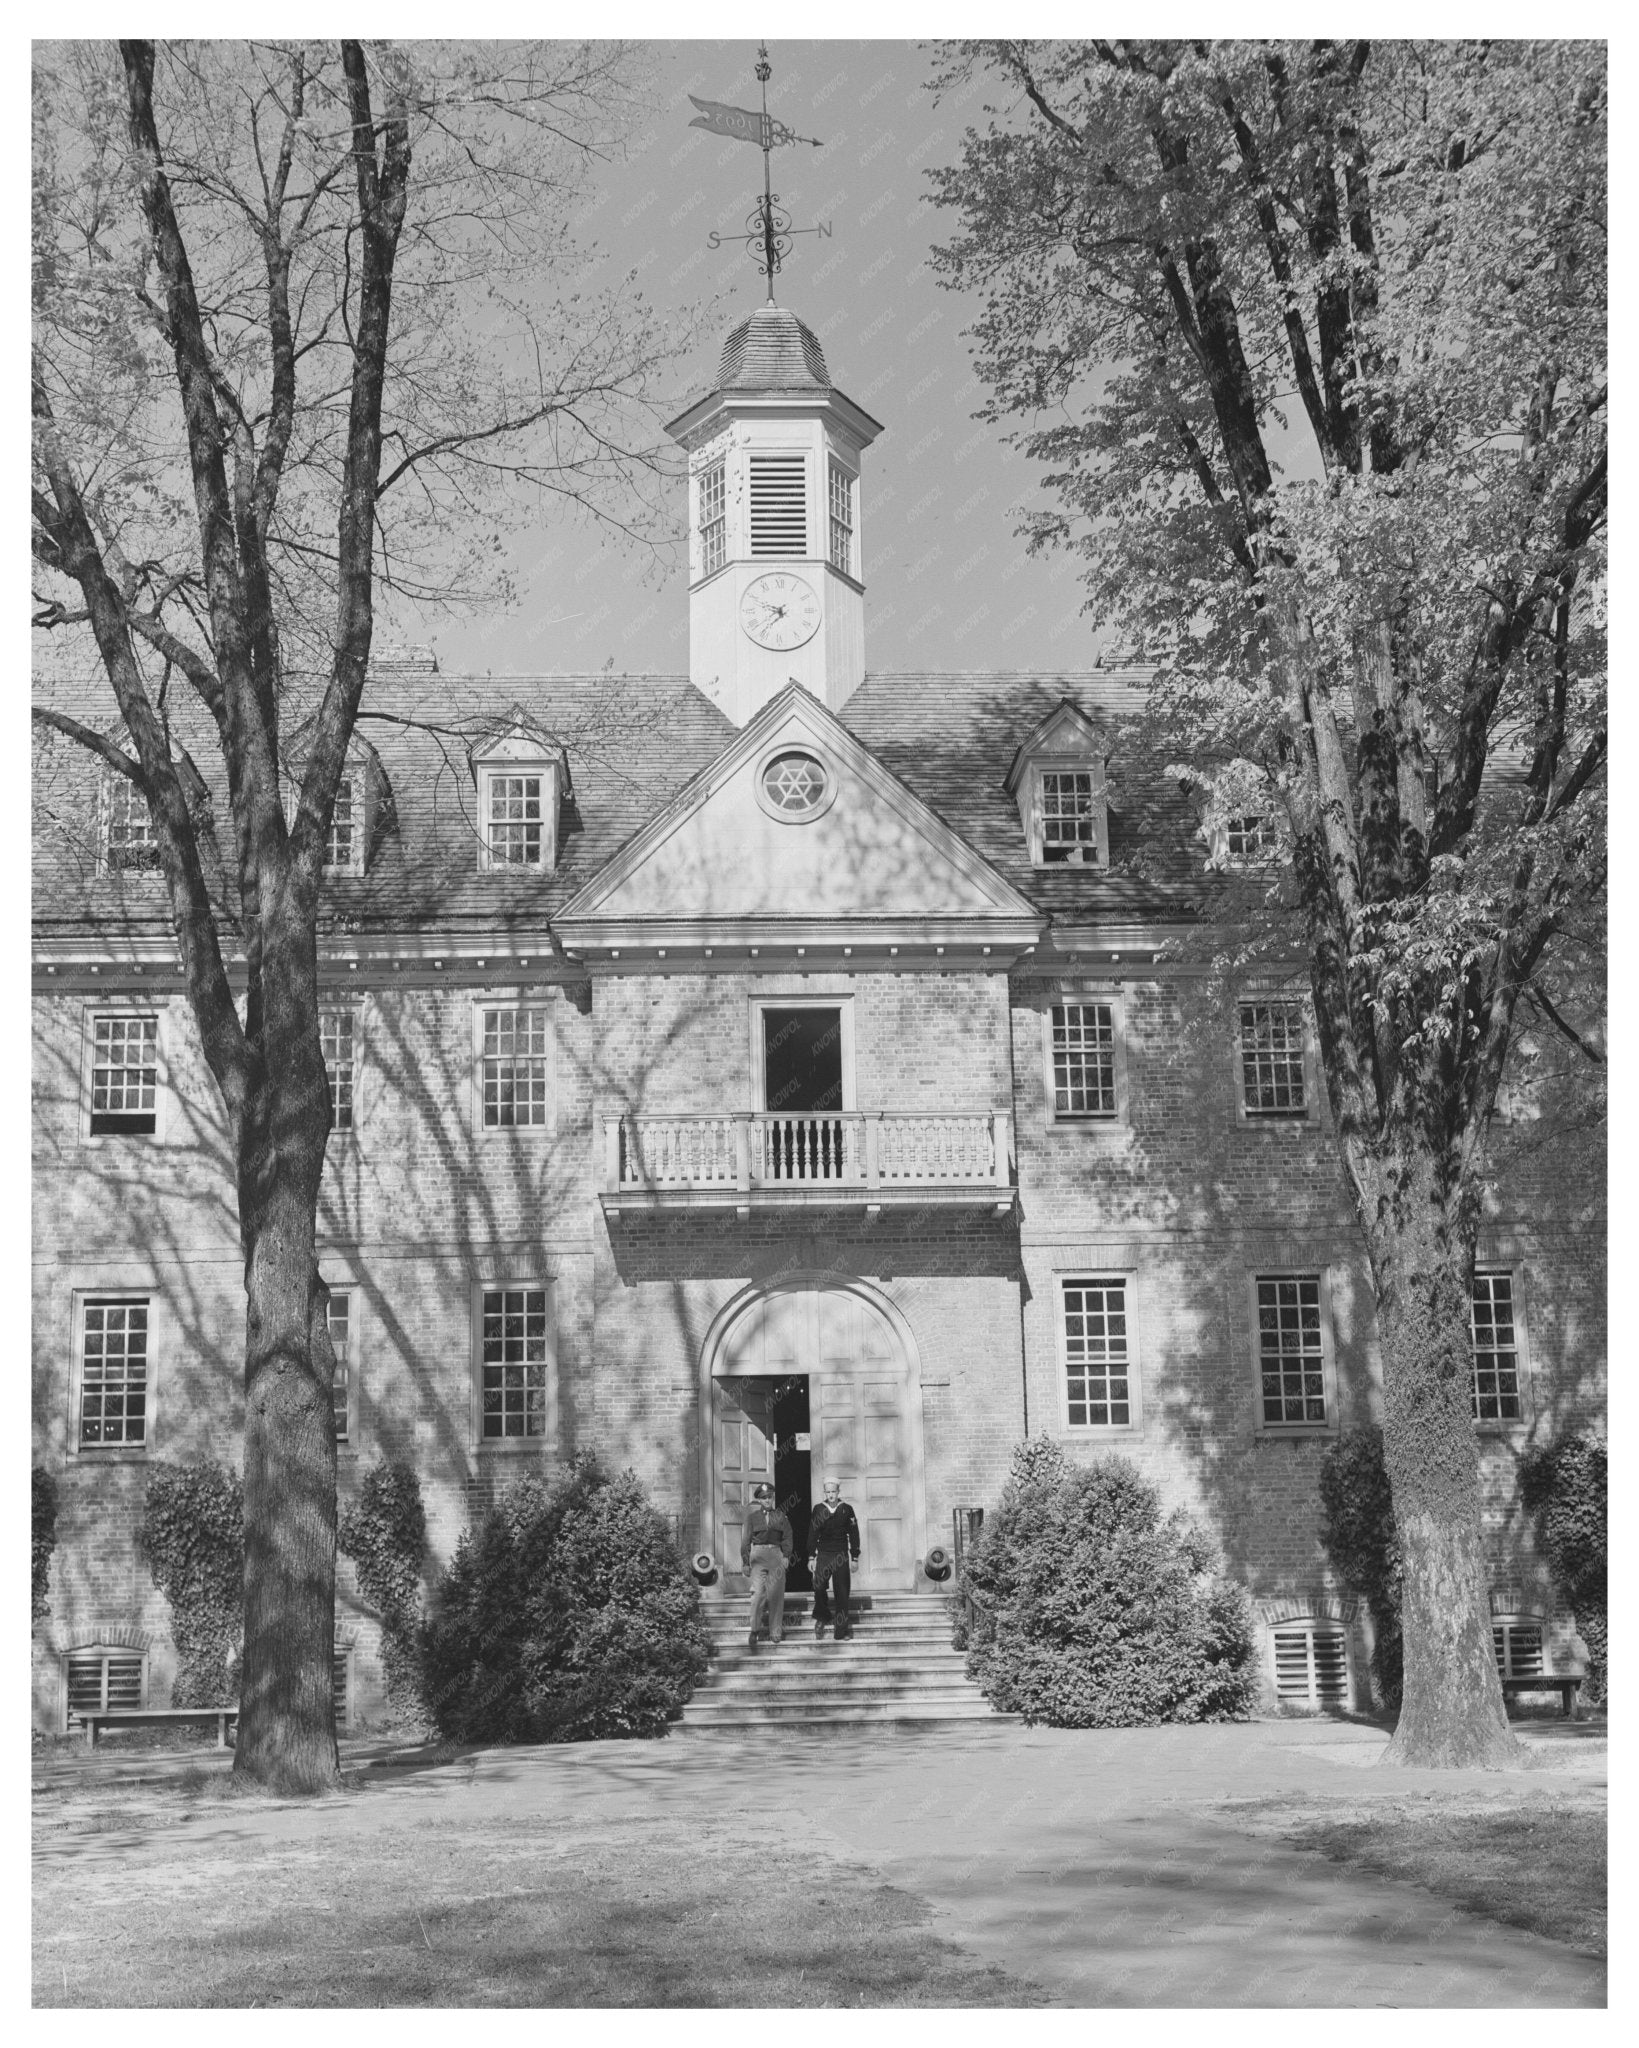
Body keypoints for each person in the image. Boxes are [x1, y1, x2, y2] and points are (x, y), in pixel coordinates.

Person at [740, 1481, 792, 1651]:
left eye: (769, 1497)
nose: (767, 1500)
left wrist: (786, 1556)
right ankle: (754, 1629)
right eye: (764, 1498)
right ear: (759, 1501)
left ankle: (775, 1632)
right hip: (758, 1556)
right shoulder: (752, 1518)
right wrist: (745, 1562)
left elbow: (787, 1537)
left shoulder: (781, 1516)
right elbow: (746, 1541)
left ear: (773, 1498)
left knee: (776, 1594)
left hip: (776, 1555)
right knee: (758, 1594)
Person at [808, 1476, 861, 1640]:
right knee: (818, 1587)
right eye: (828, 1491)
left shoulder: (847, 1509)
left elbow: (854, 1534)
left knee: (842, 1593)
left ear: (838, 1492)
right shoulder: (818, 1509)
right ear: (824, 1492)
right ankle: (822, 1616)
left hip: (841, 1555)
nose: (831, 1495)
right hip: (824, 1554)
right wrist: (811, 1556)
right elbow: (812, 1533)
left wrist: (854, 1557)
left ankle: (841, 1631)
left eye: (834, 1491)